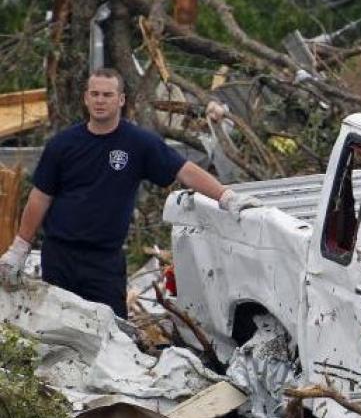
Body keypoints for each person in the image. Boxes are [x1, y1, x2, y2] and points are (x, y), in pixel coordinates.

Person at [0, 68, 260, 318]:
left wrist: (226, 196)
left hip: (104, 261)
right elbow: (40, 197)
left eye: (108, 95)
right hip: (60, 256)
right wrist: (19, 247)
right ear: (86, 98)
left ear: (121, 100)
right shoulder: (62, 144)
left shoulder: (138, 143)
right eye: (95, 94)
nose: (100, 100)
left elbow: (184, 171)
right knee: (57, 333)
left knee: (112, 338)